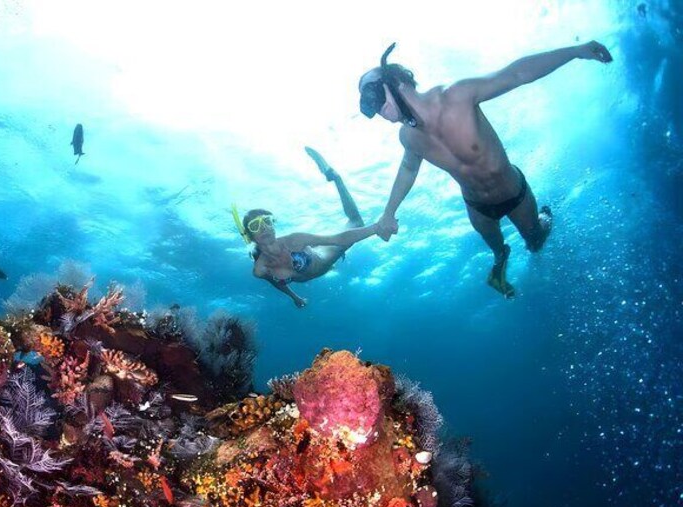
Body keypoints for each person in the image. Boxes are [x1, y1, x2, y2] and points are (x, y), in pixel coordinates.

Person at [360, 41, 613, 298]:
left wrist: (575, 52)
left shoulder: (456, 96)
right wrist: (388, 213)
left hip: (514, 194)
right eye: (366, 102)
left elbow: (517, 74)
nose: (371, 106)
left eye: (371, 93)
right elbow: (407, 168)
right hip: (478, 209)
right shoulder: (408, 138)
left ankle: (543, 219)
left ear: (395, 79)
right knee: (498, 250)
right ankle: (499, 264)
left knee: (535, 242)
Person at [235, 148, 379, 308]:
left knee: (356, 222)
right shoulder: (260, 269)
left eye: (267, 221)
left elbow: (338, 239)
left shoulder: (295, 240)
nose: (264, 228)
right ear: (250, 236)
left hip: (324, 257)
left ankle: (336, 177)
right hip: (311, 267)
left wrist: (377, 228)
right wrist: (295, 297)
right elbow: (276, 283)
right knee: (353, 225)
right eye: (255, 226)